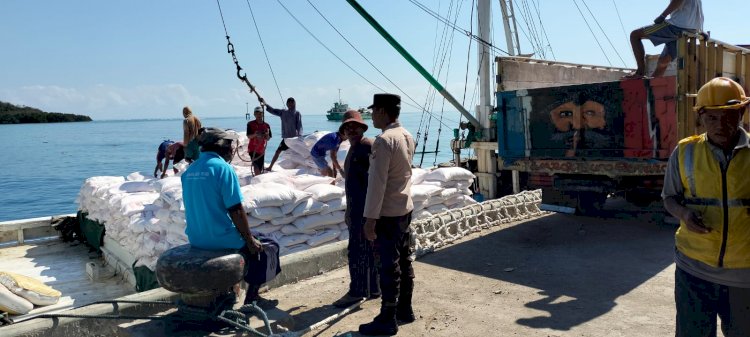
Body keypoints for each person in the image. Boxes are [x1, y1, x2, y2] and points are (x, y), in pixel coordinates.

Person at [662, 77, 750, 337]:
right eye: (711, 118)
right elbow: (669, 197)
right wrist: (684, 214)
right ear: (700, 117)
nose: (720, 125)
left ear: (741, 112)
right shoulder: (685, 152)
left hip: (743, 275)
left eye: (728, 116)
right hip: (694, 269)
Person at [181, 127, 281, 309]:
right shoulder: (223, 169)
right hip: (219, 237)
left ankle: (235, 288)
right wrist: (250, 240)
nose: (231, 150)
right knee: (268, 246)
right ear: (220, 146)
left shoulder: (190, 171)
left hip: (196, 237)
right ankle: (253, 298)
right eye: (229, 145)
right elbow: (235, 209)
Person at [360, 94, 416, 336]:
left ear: (382, 111)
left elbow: (377, 183)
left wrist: (370, 219)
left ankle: (387, 317)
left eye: (373, 111)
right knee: (404, 261)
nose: (371, 115)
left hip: (387, 214)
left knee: (387, 266)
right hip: (404, 209)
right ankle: (405, 309)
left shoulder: (383, 141)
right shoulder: (406, 135)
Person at [332, 110, 381, 308]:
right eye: (347, 127)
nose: (351, 130)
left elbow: (373, 182)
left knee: (357, 252)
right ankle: (373, 289)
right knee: (367, 252)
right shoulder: (354, 148)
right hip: (357, 210)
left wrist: (370, 215)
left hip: (364, 211)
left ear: (362, 128)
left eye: (354, 126)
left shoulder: (365, 147)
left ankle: (357, 291)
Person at [625, 0, 703, 78]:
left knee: (635, 35)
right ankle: (651, 87)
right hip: (692, 29)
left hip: (678, 25)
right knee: (663, 61)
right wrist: (700, 30)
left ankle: (640, 72)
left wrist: (663, 15)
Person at [260, 97, 303, 171]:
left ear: (294, 104)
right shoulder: (283, 112)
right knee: (277, 151)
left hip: (294, 139)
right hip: (286, 139)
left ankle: (299, 168)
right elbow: (273, 110)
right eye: (289, 103)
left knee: (298, 154)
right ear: (287, 104)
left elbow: (299, 126)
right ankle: (270, 167)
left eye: (292, 103)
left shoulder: (297, 113)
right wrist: (265, 103)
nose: (290, 105)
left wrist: (299, 137)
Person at [246, 106, 272, 176]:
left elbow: (269, 138)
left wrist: (266, 136)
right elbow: (248, 136)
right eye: (257, 113)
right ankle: (257, 182)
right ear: (254, 114)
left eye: (260, 113)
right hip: (252, 149)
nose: (259, 115)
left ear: (262, 114)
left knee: (260, 168)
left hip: (261, 150)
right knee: (256, 167)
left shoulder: (267, 125)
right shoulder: (250, 124)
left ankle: (258, 180)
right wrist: (255, 134)